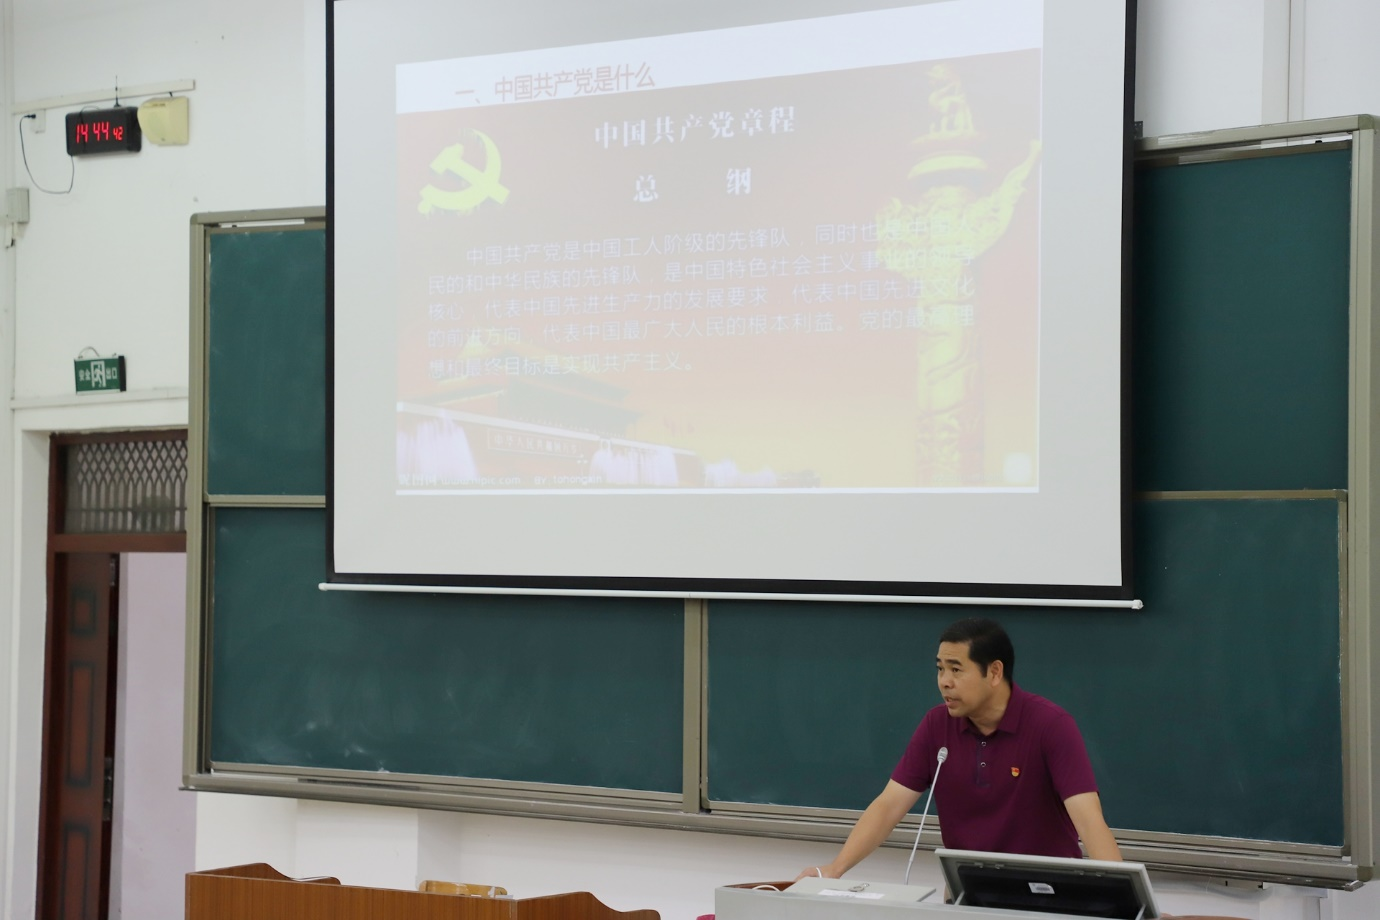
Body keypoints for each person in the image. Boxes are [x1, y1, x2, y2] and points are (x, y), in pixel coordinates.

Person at [797, 617, 1121, 880]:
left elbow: (1089, 820)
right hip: (970, 894)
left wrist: (1129, 901)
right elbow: (888, 806)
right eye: (940, 668)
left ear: (994, 672)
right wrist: (834, 869)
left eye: (956, 669)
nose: (944, 681)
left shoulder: (1051, 725)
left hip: (1046, 893)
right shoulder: (937, 725)